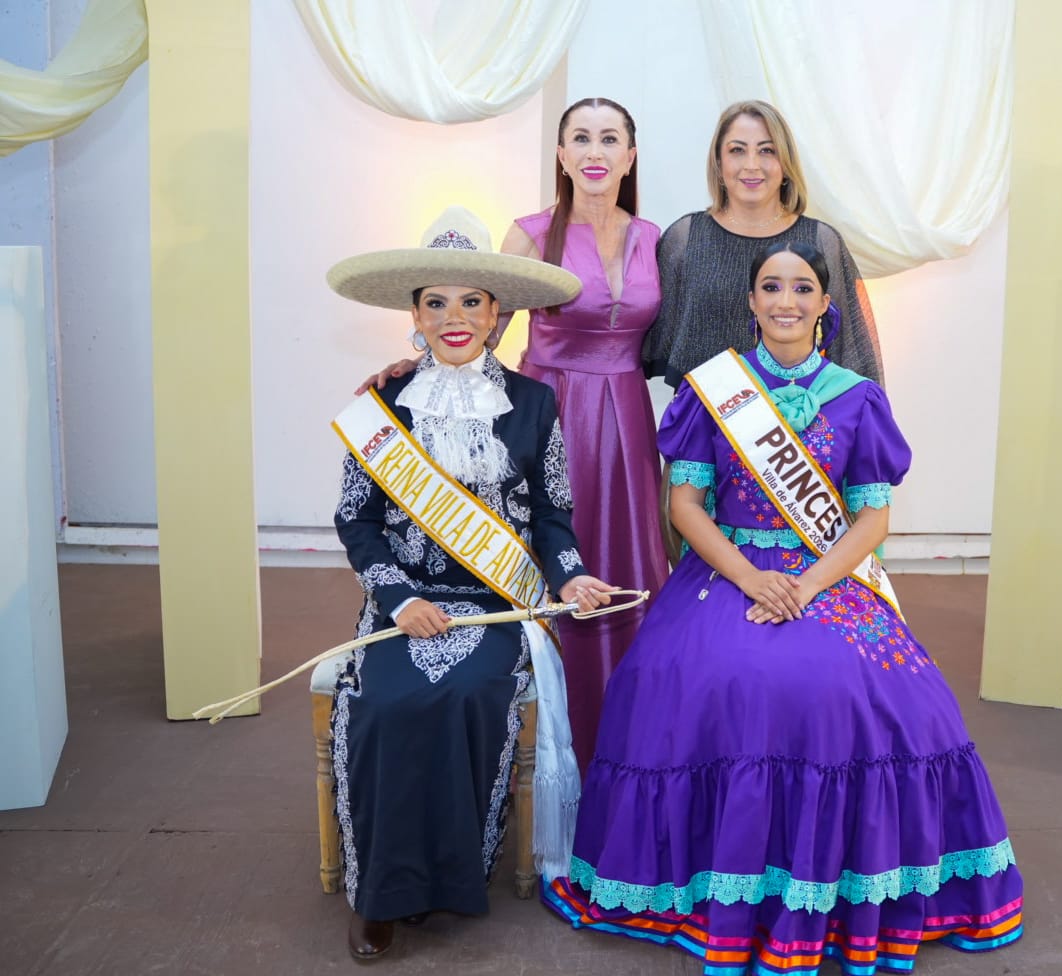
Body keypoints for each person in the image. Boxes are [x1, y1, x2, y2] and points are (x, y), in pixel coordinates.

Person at [544, 241, 1023, 974]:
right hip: (726, 569)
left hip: (822, 575)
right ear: (751, 301)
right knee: (697, 678)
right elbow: (685, 504)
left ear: (825, 304)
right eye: (771, 286)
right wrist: (749, 578)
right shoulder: (714, 390)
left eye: (802, 288)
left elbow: (872, 519)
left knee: (882, 696)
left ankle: (842, 886)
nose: (786, 301)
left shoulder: (856, 397)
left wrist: (805, 586)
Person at [327, 206, 614, 961]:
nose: (453, 317)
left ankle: (448, 878)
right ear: (414, 316)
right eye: (436, 302)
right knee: (386, 703)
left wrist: (571, 579)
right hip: (404, 603)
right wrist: (399, 599)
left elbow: (553, 516)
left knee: (466, 697)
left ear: (495, 314)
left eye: (471, 302)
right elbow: (357, 521)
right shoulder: (380, 406)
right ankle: (380, 893)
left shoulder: (534, 404)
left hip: (495, 606)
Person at [359, 98, 668, 775]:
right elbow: (474, 328)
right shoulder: (530, 234)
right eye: (579, 137)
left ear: (630, 155)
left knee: (628, 561)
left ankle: (630, 742)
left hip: (626, 421)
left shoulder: (655, 239)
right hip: (550, 409)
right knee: (552, 546)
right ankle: (555, 741)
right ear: (560, 154)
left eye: (608, 138)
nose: (594, 151)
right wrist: (411, 366)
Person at [643, 99, 885, 390]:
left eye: (767, 150)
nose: (751, 165)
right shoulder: (684, 238)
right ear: (718, 163)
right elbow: (636, 334)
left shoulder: (821, 240)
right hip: (701, 413)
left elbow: (854, 357)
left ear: (785, 163)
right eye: (737, 150)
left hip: (796, 413)